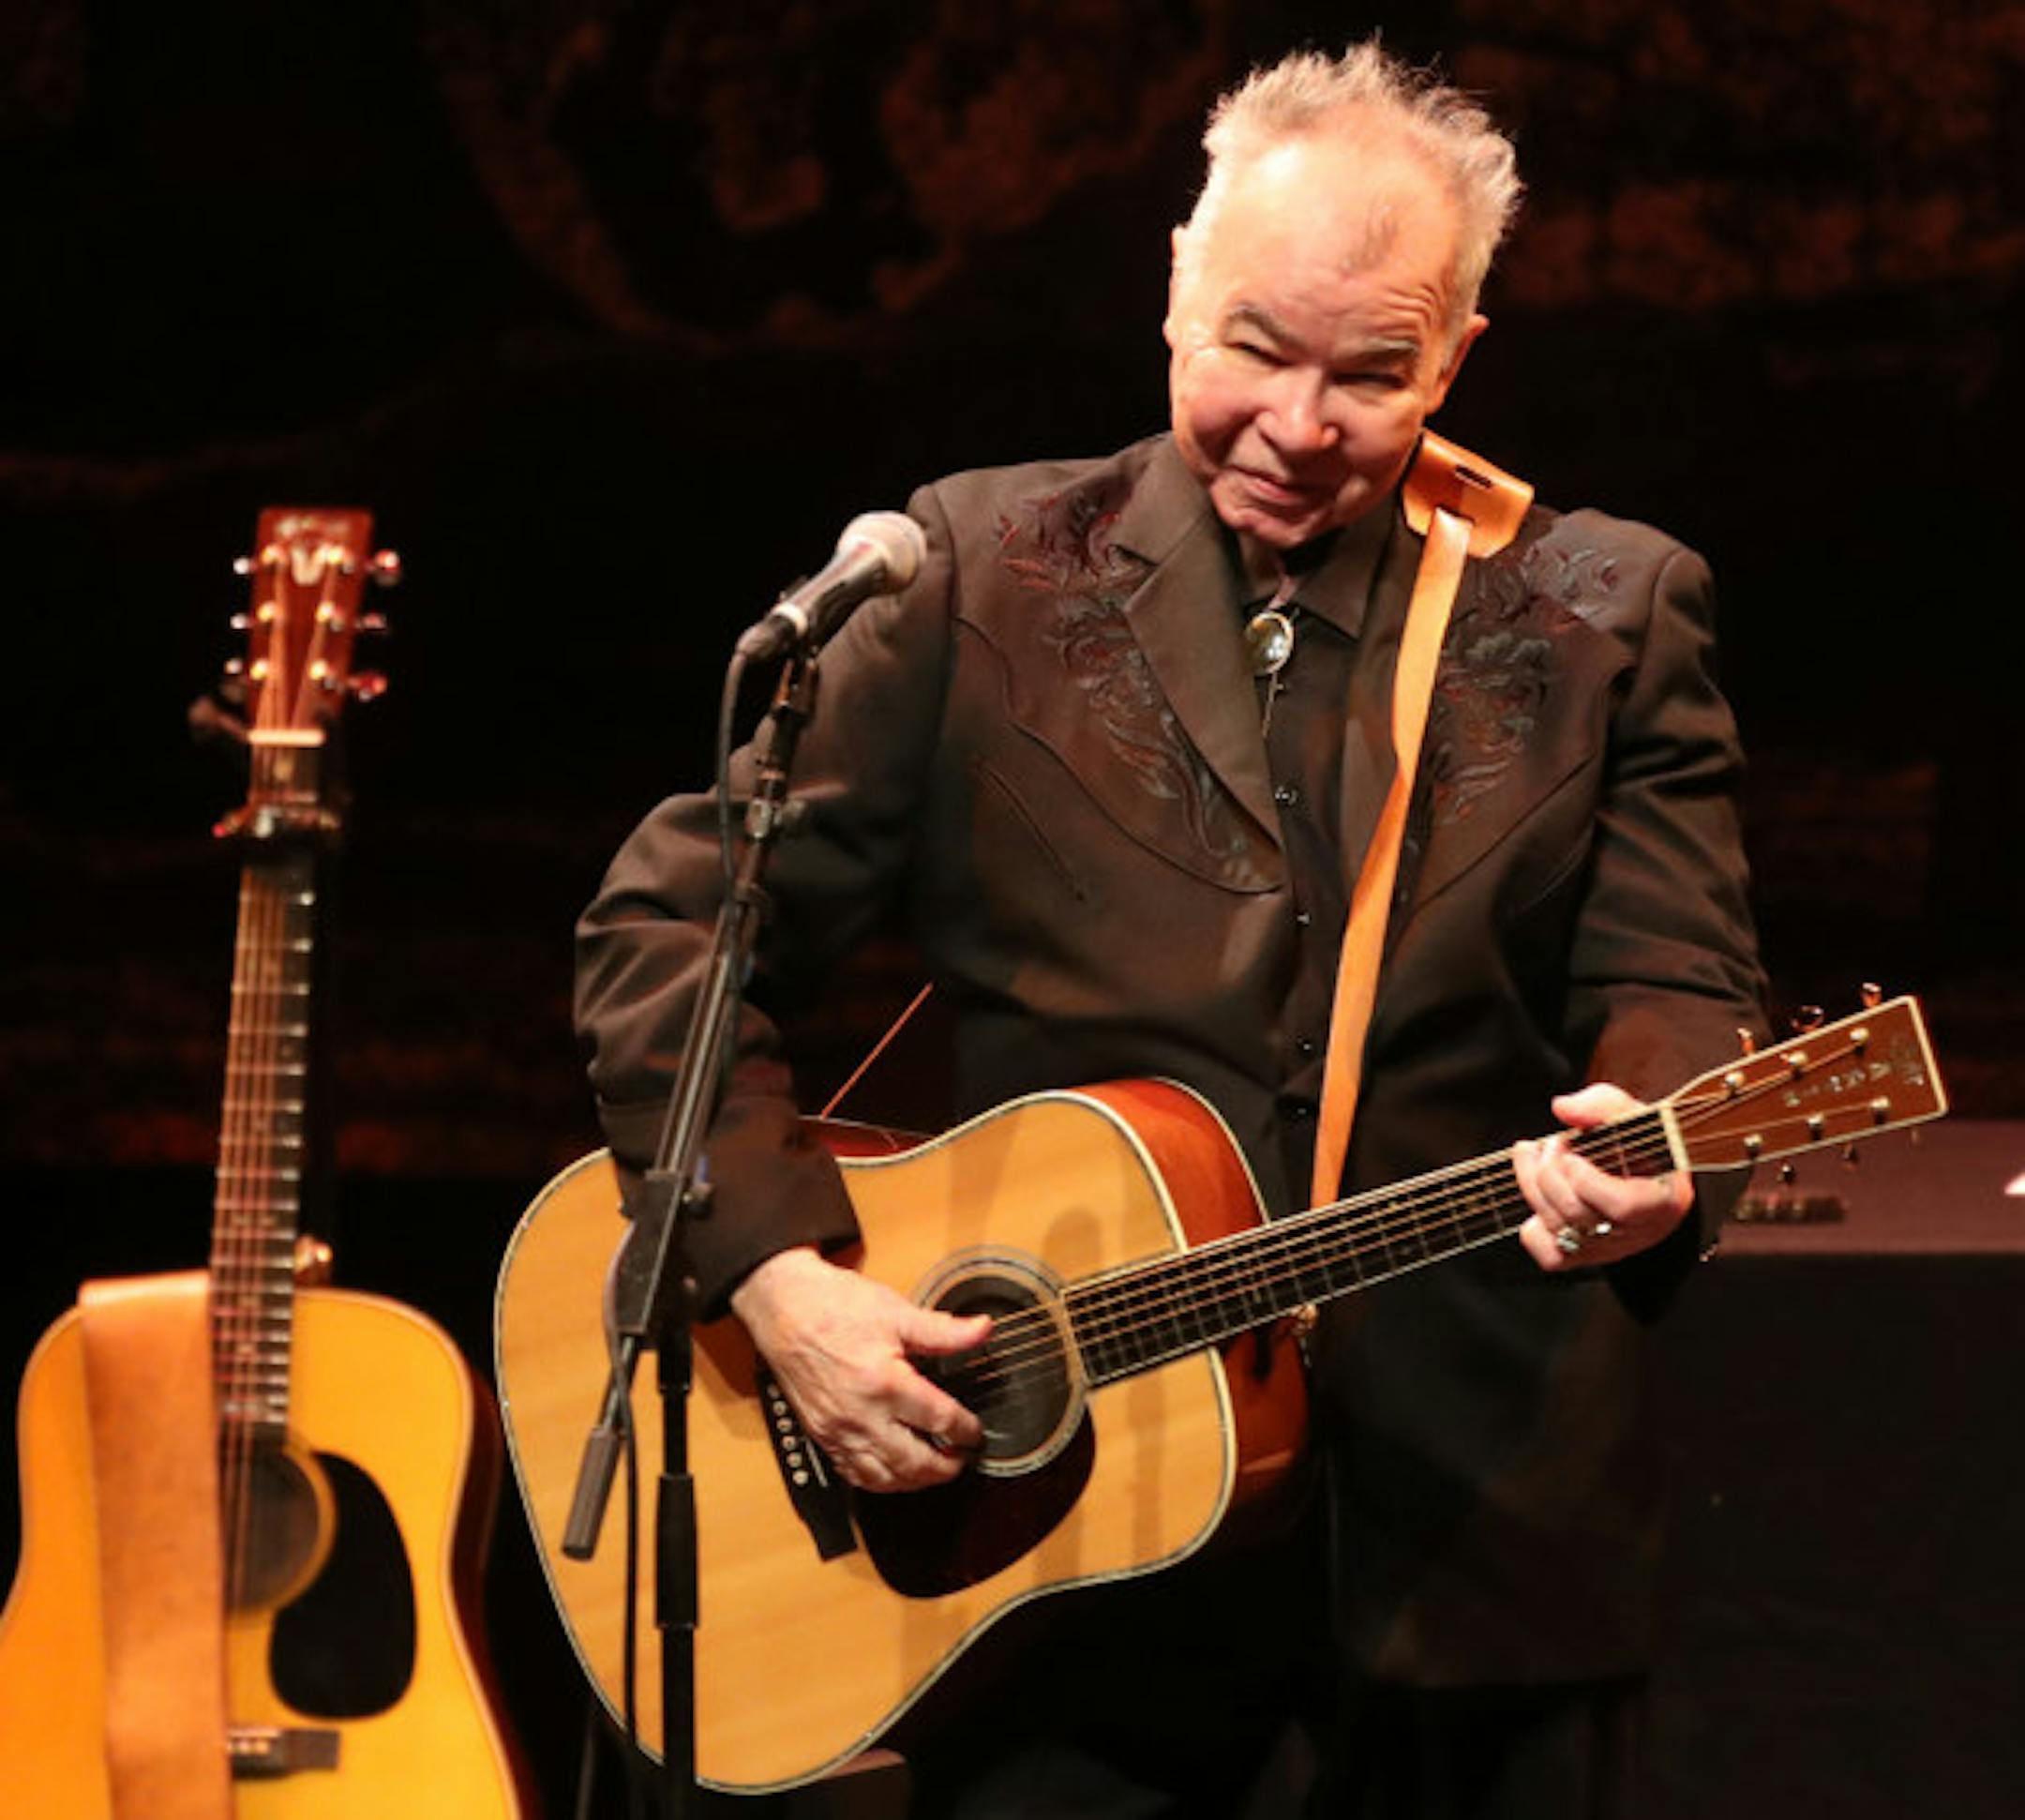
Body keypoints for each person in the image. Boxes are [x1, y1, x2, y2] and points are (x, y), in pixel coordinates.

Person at [576, 39, 1765, 1819]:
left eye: (1374, 373)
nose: (1302, 425)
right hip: (1058, 1563)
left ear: (1455, 357)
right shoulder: (977, 572)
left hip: (1472, 1547)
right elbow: (675, 929)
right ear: (1175, 302)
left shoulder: (1604, 606)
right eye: (1256, 352)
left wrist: (1664, 1141)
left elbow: (1681, 979)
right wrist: (778, 1274)